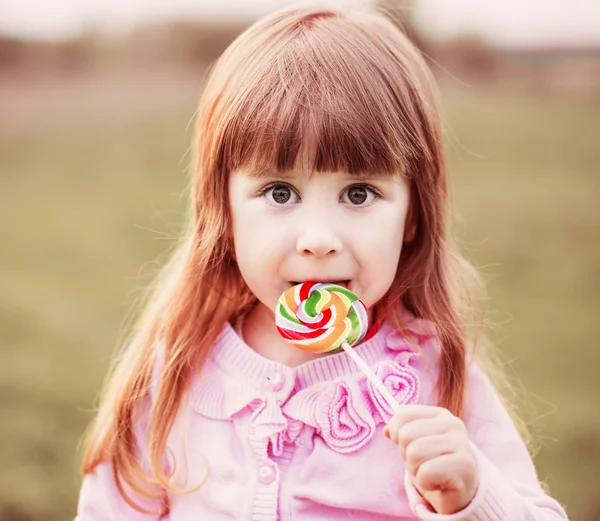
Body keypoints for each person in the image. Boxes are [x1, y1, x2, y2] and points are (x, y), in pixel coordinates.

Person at [75, 3, 569, 520]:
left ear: (412, 217)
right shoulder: (180, 367)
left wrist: (473, 496)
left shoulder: (436, 376)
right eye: (280, 192)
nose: (318, 239)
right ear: (224, 211)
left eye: (358, 193)